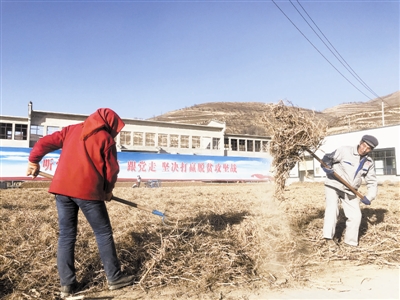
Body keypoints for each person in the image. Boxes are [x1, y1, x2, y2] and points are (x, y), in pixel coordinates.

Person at [26, 108, 134, 298]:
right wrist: (108, 190)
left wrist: (34, 161)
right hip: (88, 192)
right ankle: (114, 278)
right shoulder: (106, 139)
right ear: (109, 124)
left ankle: (67, 285)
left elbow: (44, 143)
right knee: (103, 232)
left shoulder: (71, 130)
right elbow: (111, 170)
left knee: (67, 236)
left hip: (61, 190)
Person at [321, 134, 378, 249]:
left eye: (368, 148)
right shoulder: (344, 150)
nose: (364, 149)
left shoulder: (369, 162)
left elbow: (372, 181)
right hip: (334, 184)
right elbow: (327, 158)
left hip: (350, 190)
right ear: (360, 142)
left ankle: (350, 243)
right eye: (364, 145)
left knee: (356, 215)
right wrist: (326, 166)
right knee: (332, 209)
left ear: (371, 150)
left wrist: (370, 196)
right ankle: (328, 239)